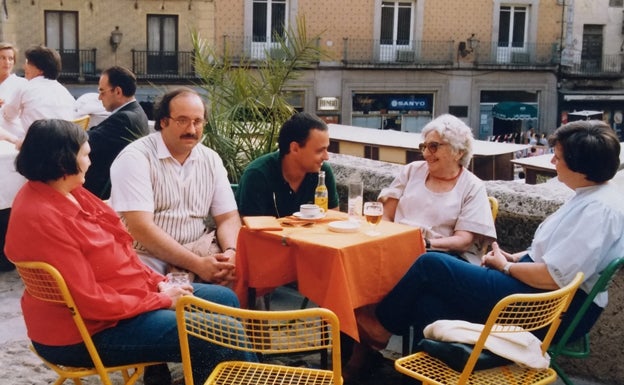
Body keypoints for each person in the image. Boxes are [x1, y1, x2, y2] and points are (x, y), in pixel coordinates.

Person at [4, 119, 256, 385]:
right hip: (85, 333)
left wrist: (158, 283)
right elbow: (90, 302)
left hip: (121, 302)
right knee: (218, 333)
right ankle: (243, 376)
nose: (91, 161)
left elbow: (120, 253)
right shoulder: (45, 217)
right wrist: (161, 299)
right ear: (63, 161)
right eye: (86, 155)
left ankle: (221, 376)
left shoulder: (66, 191)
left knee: (223, 299)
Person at [355, 120, 624, 365]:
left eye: (559, 157)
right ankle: (426, 377)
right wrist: (515, 258)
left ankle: (380, 327)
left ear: (581, 167)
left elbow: (553, 277)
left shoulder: (598, 210)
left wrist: (505, 268)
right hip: (537, 294)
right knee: (428, 304)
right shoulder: (591, 197)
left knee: (430, 264)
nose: (553, 161)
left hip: (545, 308)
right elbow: (555, 256)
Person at [110, 87, 239, 286]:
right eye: (182, 121)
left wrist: (231, 252)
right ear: (163, 122)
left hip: (199, 250)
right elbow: (141, 228)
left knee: (241, 279)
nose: (191, 130)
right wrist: (198, 265)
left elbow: (228, 217)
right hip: (147, 259)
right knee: (212, 298)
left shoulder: (210, 159)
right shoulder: (136, 158)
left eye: (198, 121)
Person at [378, 113, 496, 266]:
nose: (426, 154)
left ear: (458, 152)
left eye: (433, 147)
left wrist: (425, 244)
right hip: (398, 247)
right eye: (424, 147)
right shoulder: (411, 171)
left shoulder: (472, 186)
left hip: (441, 257)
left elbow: (463, 240)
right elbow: (385, 215)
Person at [236, 111, 339, 217]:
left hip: (310, 234)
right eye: (320, 151)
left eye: (327, 149)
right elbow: (251, 229)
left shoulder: (322, 173)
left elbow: (332, 221)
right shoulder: (258, 175)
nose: (326, 157)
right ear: (294, 148)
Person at [83, 66, 150, 199]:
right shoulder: (136, 112)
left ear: (118, 91)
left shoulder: (125, 118)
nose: (99, 97)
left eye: (102, 91)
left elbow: (88, 141)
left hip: (102, 192)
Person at [0, 45, 75, 141]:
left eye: (28, 63)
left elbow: (9, 115)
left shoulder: (25, 87)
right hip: (65, 144)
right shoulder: (64, 91)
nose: (24, 67)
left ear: (40, 69)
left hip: (38, 145)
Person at [0, 42, 27, 145]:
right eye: (2, 58)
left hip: (14, 136)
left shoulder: (21, 84)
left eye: (10, 58)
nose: (7, 62)